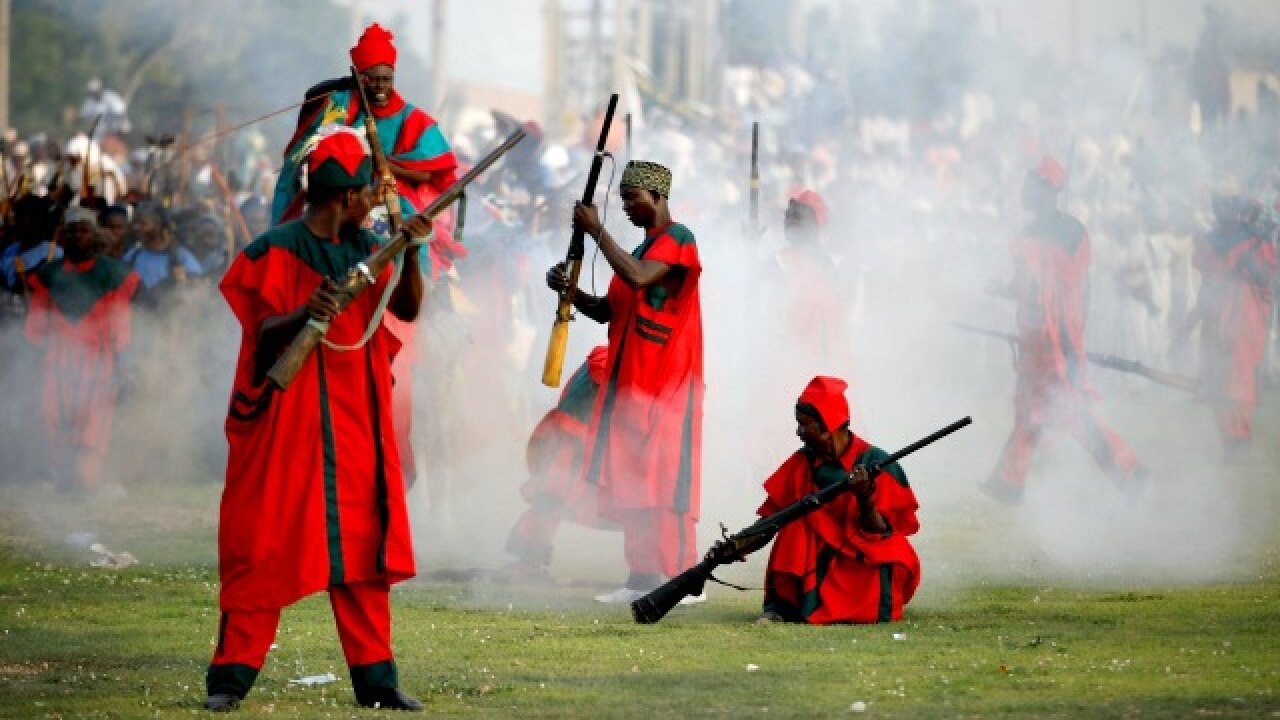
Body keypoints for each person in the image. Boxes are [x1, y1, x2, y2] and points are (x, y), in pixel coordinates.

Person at [202, 128, 431, 712]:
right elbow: (259, 337)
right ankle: (229, 680)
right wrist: (306, 311)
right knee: (263, 543)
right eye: (366, 192)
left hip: (356, 422)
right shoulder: (272, 251)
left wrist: (408, 256)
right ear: (343, 196)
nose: (377, 200)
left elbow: (404, 308)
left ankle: (377, 683)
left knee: (362, 552)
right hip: (288, 424)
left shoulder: (368, 248)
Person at [546, 160, 705, 604]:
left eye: (632, 199)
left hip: (668, 382)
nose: (627, 208)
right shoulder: (640, 249)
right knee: (634, 477)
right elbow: (611, 310)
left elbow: (636, 280)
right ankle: (641, 578)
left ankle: (681, 579)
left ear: (657, 197)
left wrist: (596, 231)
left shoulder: (679, 239)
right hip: (632, 382)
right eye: (623, 201)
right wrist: (570, 292)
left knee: (665, 478)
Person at [982, 157, 1147, 504]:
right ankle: (1008, 482)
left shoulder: (1072, 234)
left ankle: (1128, 470)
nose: (1025, 191)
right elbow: (1029, 286)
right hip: (1036, 338)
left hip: (1057, 338)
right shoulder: (1031, 235)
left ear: (1046, 191)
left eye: (1031, 185)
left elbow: (1071, 289)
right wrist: (1004, 289)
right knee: (1030, 408)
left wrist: (1069, 333)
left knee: (1073, 412)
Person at [736, 376, 920, 624]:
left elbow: (880, 533)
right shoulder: (802, 462)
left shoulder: (876, 461)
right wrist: (736, 546)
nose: (799, 432)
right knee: (794, 524)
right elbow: (771, 521)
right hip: (817, 558)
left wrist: (865, 498)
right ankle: (782, 608)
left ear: (828, 425)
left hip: (860, 558)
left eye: (805, 425)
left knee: (893, 553)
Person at [23, 205, 139, 490]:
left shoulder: (113, 274)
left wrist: (122, 365)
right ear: (62, 237)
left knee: (94, 422)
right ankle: (62, 474)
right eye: (71, 231)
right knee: (55, 416)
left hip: (98, 360)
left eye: (84, 230)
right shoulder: (47, 275)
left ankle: (87, 476)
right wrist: (34, 359)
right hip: (57, 358)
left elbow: (120, 326)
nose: (77, 236)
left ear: (95, 235)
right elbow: (36, 326)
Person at [500, 346, 612, 581]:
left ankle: (531, 560)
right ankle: (529, 560)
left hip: (572, 438)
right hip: (569, 440)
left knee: (553, 502)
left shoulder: (606, 355)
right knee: (550, 500)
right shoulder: (607, 357)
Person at [1188, 187, 1277, 457]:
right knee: (1216, 377)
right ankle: (1231, 441)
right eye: (1221, 205)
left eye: (1229, 205)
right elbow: (1206, 283)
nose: (1224, 210)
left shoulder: (1255, 242)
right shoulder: (1212, 242)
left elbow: (1269, 280)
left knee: (1238, 378)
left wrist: (1253, 266)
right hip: (1219, 314)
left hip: (1244, 313)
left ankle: (1240, 440)